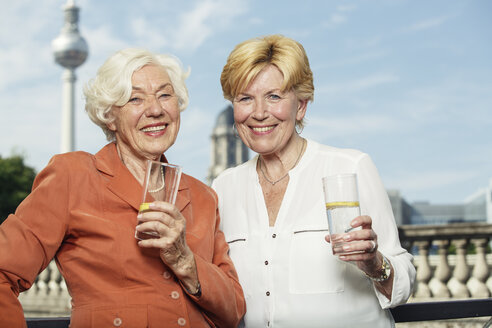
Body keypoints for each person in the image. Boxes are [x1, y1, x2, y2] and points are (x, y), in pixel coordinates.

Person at [0, 48, 245, 327]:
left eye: (165, 95)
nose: (155, 110)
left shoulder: (204, 196)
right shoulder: (73, 176)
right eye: (135, 98)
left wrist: (186, 262)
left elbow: (233, 311)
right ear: (109, 117)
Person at [212, 34, 415, 327]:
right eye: (245, 98)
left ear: (301, 106)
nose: (258, 113)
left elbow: (404, 280)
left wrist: (374, 263)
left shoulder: (352, 166)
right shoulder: (223, 187)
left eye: (274, 96)